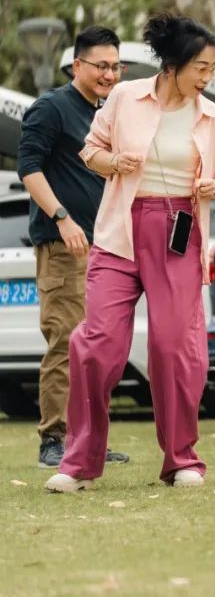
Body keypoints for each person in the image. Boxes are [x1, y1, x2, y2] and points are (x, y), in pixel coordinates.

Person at [45, 15, 215, 493]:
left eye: (213, 69)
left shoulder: (214, 118)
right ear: (173, 65)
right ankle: (78, 463)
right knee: (96, 346)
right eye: (201, 66)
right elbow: (91, 150)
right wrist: (114, 162)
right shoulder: (124, 98)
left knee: (174, 346)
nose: (207, 76)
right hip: (119, 231)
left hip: (178, 231)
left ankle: (181, 459)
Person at [16, 26, 130, 470]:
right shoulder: (52, 107)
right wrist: (62, 218)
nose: (109, 74)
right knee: (66, 341)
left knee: (98, 347)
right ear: (76, 65)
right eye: (100, 65)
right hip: (66, 247)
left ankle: (89, 440)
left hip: (105, 248)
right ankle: (55, 441)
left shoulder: (105, 114)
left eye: (115, 66)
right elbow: (29, 168)